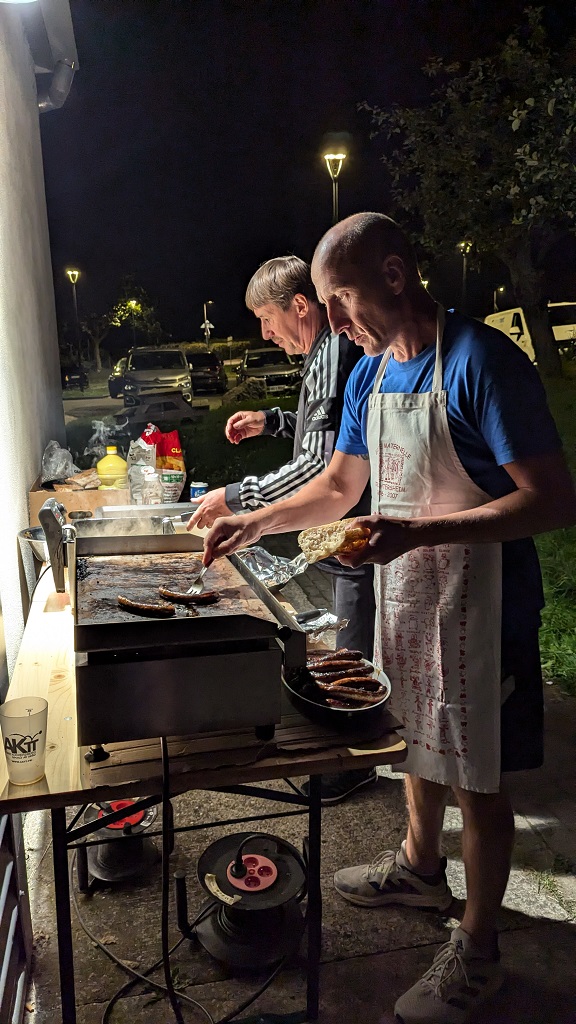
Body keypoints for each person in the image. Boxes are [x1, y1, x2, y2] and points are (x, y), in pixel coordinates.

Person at [200, 213, 576, 1024]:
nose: (334, 323)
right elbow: (340, 487)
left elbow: (551, 499)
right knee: (409, 733)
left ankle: (478, 950)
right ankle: (418, 866)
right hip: (406, 592)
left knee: (477, 774)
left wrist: (420, 533)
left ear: (397, 276)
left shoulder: (481, 362)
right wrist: (255, 520)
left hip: (486, 600)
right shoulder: (371, 374)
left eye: (341, 299)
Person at [189, 255, 376, 805]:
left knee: (355, 637)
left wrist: (236, 498)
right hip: (346, 520)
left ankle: (355, 753)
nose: (266, 334)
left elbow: (321, 465)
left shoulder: (333, 349)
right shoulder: (324, 355)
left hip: (355, 521)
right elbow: (334, 427)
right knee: (353, 624)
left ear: (300, 306)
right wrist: (272, 421)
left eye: (267, 320)